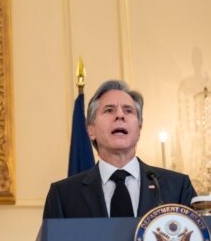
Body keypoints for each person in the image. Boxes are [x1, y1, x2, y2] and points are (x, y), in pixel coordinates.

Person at [43, 79, 197, 218]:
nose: (120, 115)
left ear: (139, 128)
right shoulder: (63, 195)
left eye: (128, 111)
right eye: (109, 110)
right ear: (91, 130)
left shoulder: (178, 187)